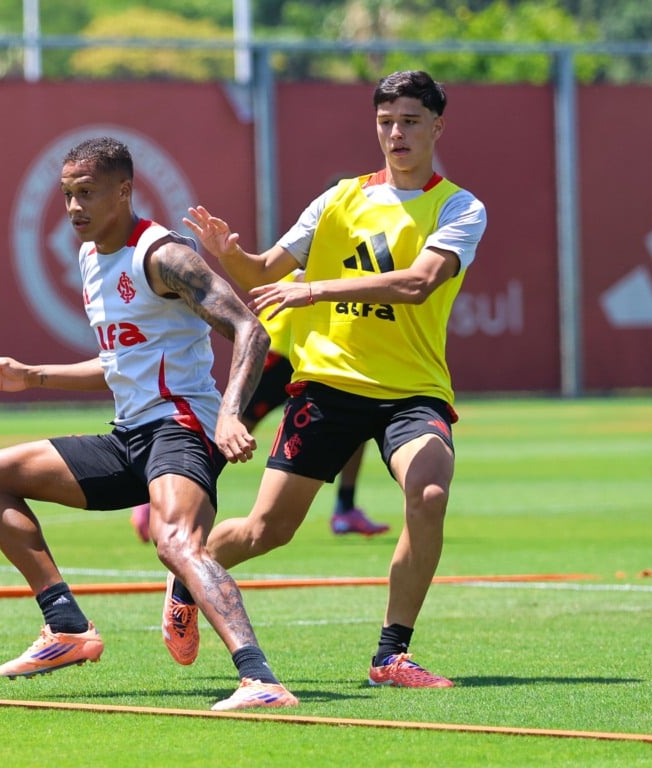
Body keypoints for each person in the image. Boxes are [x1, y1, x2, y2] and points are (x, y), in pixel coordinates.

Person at [163, 70, 487, 688]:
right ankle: (188, 572)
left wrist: (315, 288)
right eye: (386, 122)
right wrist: (226, 253)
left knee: (430, 494)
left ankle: (391, 655)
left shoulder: (459, 207)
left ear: (438, 126)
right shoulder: (337, 199)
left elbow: (417, 283)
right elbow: (261, 269)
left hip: (412, 392)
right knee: (266, 532)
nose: (396, 133)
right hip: (328, 389)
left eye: (410, 121)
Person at [0, 136, 298, 711]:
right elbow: (120, 363)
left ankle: (260, 679)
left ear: (124, 191)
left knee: (174, 543)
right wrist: (31, 375)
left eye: (86, 193)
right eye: (67, 195)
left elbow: (251, 330)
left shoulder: (163, 255)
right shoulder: (91, 257)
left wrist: (229, 415)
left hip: (183, 427)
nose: (73, 208)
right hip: (128, 436)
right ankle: (66, 628)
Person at [129, 271, 390, 542]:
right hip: (279, 348)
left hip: (319, 354)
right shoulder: (320, 240)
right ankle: (157, 491)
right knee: (229, 430)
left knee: (356, 422)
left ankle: (345, 508)